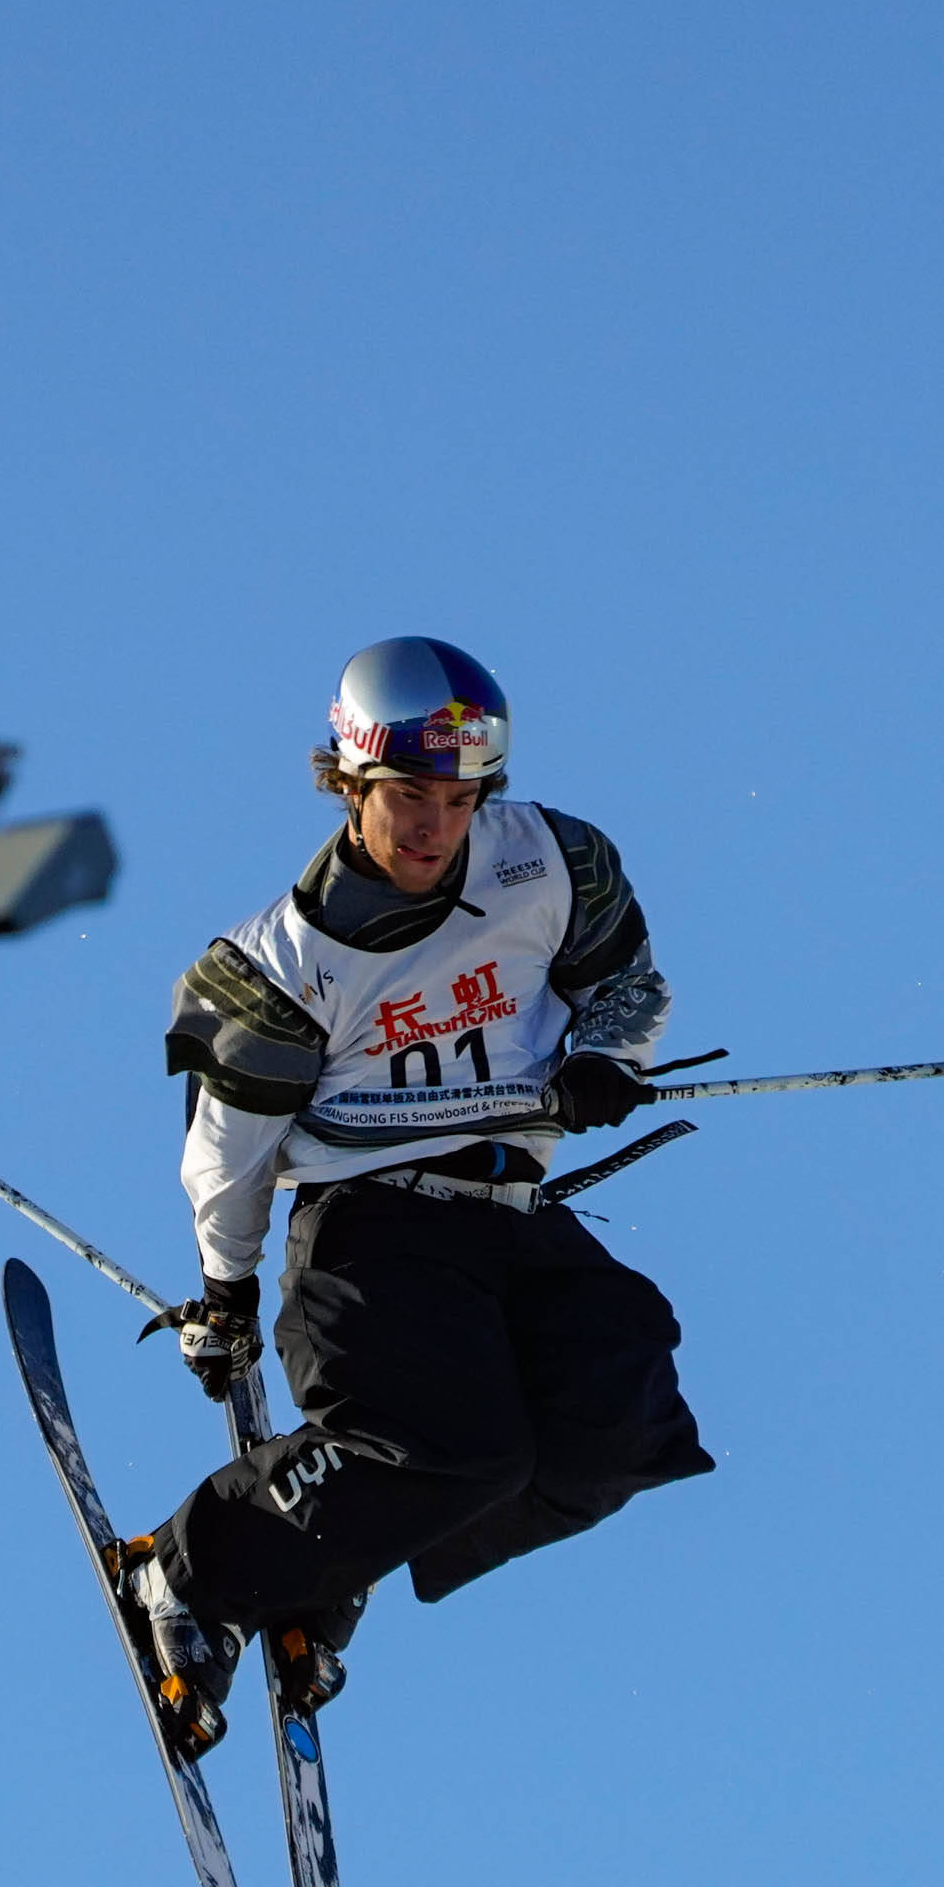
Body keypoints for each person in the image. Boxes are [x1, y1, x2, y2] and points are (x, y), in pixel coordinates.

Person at [122, 637, 714, 1753]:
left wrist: (604, 1057)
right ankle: (188, 1572)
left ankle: (326, 1555)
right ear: (347, 782)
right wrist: (224, 1294)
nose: (432, 826)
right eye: (404, 796)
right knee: (447, 1442)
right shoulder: (285, 962)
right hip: (372, 1226)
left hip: (512, 1217)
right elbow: (228, 1149)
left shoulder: (548, 861)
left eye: (456, 797)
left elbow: (628, 985)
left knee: (616, 1417)